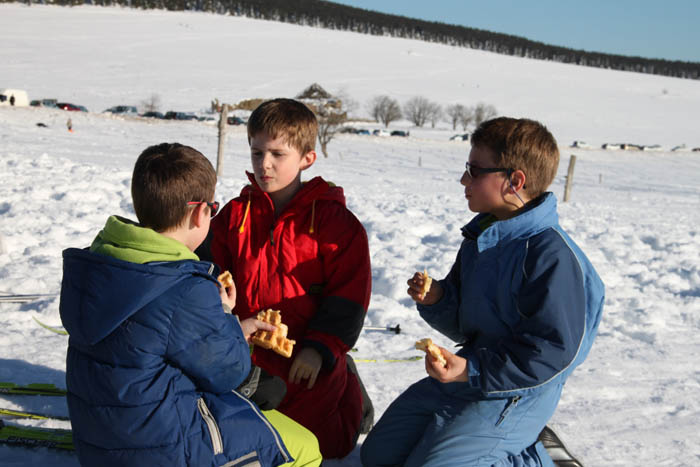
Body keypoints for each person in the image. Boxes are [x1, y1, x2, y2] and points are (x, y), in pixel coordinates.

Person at [361, 117, 605, 467]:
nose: (464, 180)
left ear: (515, 181)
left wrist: (471, 371)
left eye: (474, 171)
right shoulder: (485, 237)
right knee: (378, 455)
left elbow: (551, 355)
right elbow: (467, 323)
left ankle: (540, 457)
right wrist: (439, 299)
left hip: (518, 396)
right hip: (471, 376)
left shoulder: (551, 257)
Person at [59, 143, 322, 467]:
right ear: (200, 213)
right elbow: (227, 373)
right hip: (168, 449)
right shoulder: (184, 289)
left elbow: (154, 340)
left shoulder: (101, 264)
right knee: (305, 448)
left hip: (105, 445)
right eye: (213, 207)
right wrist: (226, 319)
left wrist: (223, 322)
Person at [208, 98, 373, 459]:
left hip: (306, 353)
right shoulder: (236, 214)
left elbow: (349, 297)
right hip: (247, 349)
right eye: (256, 152)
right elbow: (207, 270)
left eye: (277, 154)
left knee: (324, 445)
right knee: (239, 436)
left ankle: (346, 384)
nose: (264, 164)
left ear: (306, 159)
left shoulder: (337, 225)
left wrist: (321, 348)